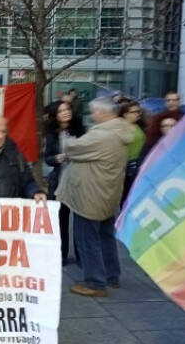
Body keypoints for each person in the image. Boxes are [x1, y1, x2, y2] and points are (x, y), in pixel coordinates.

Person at [56, 97, 133, 297]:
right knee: (105, 236)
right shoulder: (119, 130)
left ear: (104, 113)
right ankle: (111, 275)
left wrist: (66, 140)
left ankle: (95, 283)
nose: (92, 115)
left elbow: (73, 149)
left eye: (94, 112)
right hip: (106, 193)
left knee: (87, 239)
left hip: (90, 195)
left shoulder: (103, 135)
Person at [44, 101, 85, 265]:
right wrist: (56, 158)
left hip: (79, 181)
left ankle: (81, 257)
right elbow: (47, 159)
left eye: (67, 109)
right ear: (55, 115)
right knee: (61, 220)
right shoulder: (52, 134)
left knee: (80, 223)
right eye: (61, 111)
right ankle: (61, 255)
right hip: (60, 182)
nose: (65, 113)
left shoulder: (80, 131)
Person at [119, 100, 146, 206]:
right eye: (134, 112)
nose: (137, 114)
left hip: (139, 163)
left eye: (138, 111)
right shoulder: (120, 128)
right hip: (125, 165)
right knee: (126, 195)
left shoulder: (140, 125)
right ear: (125, 114)